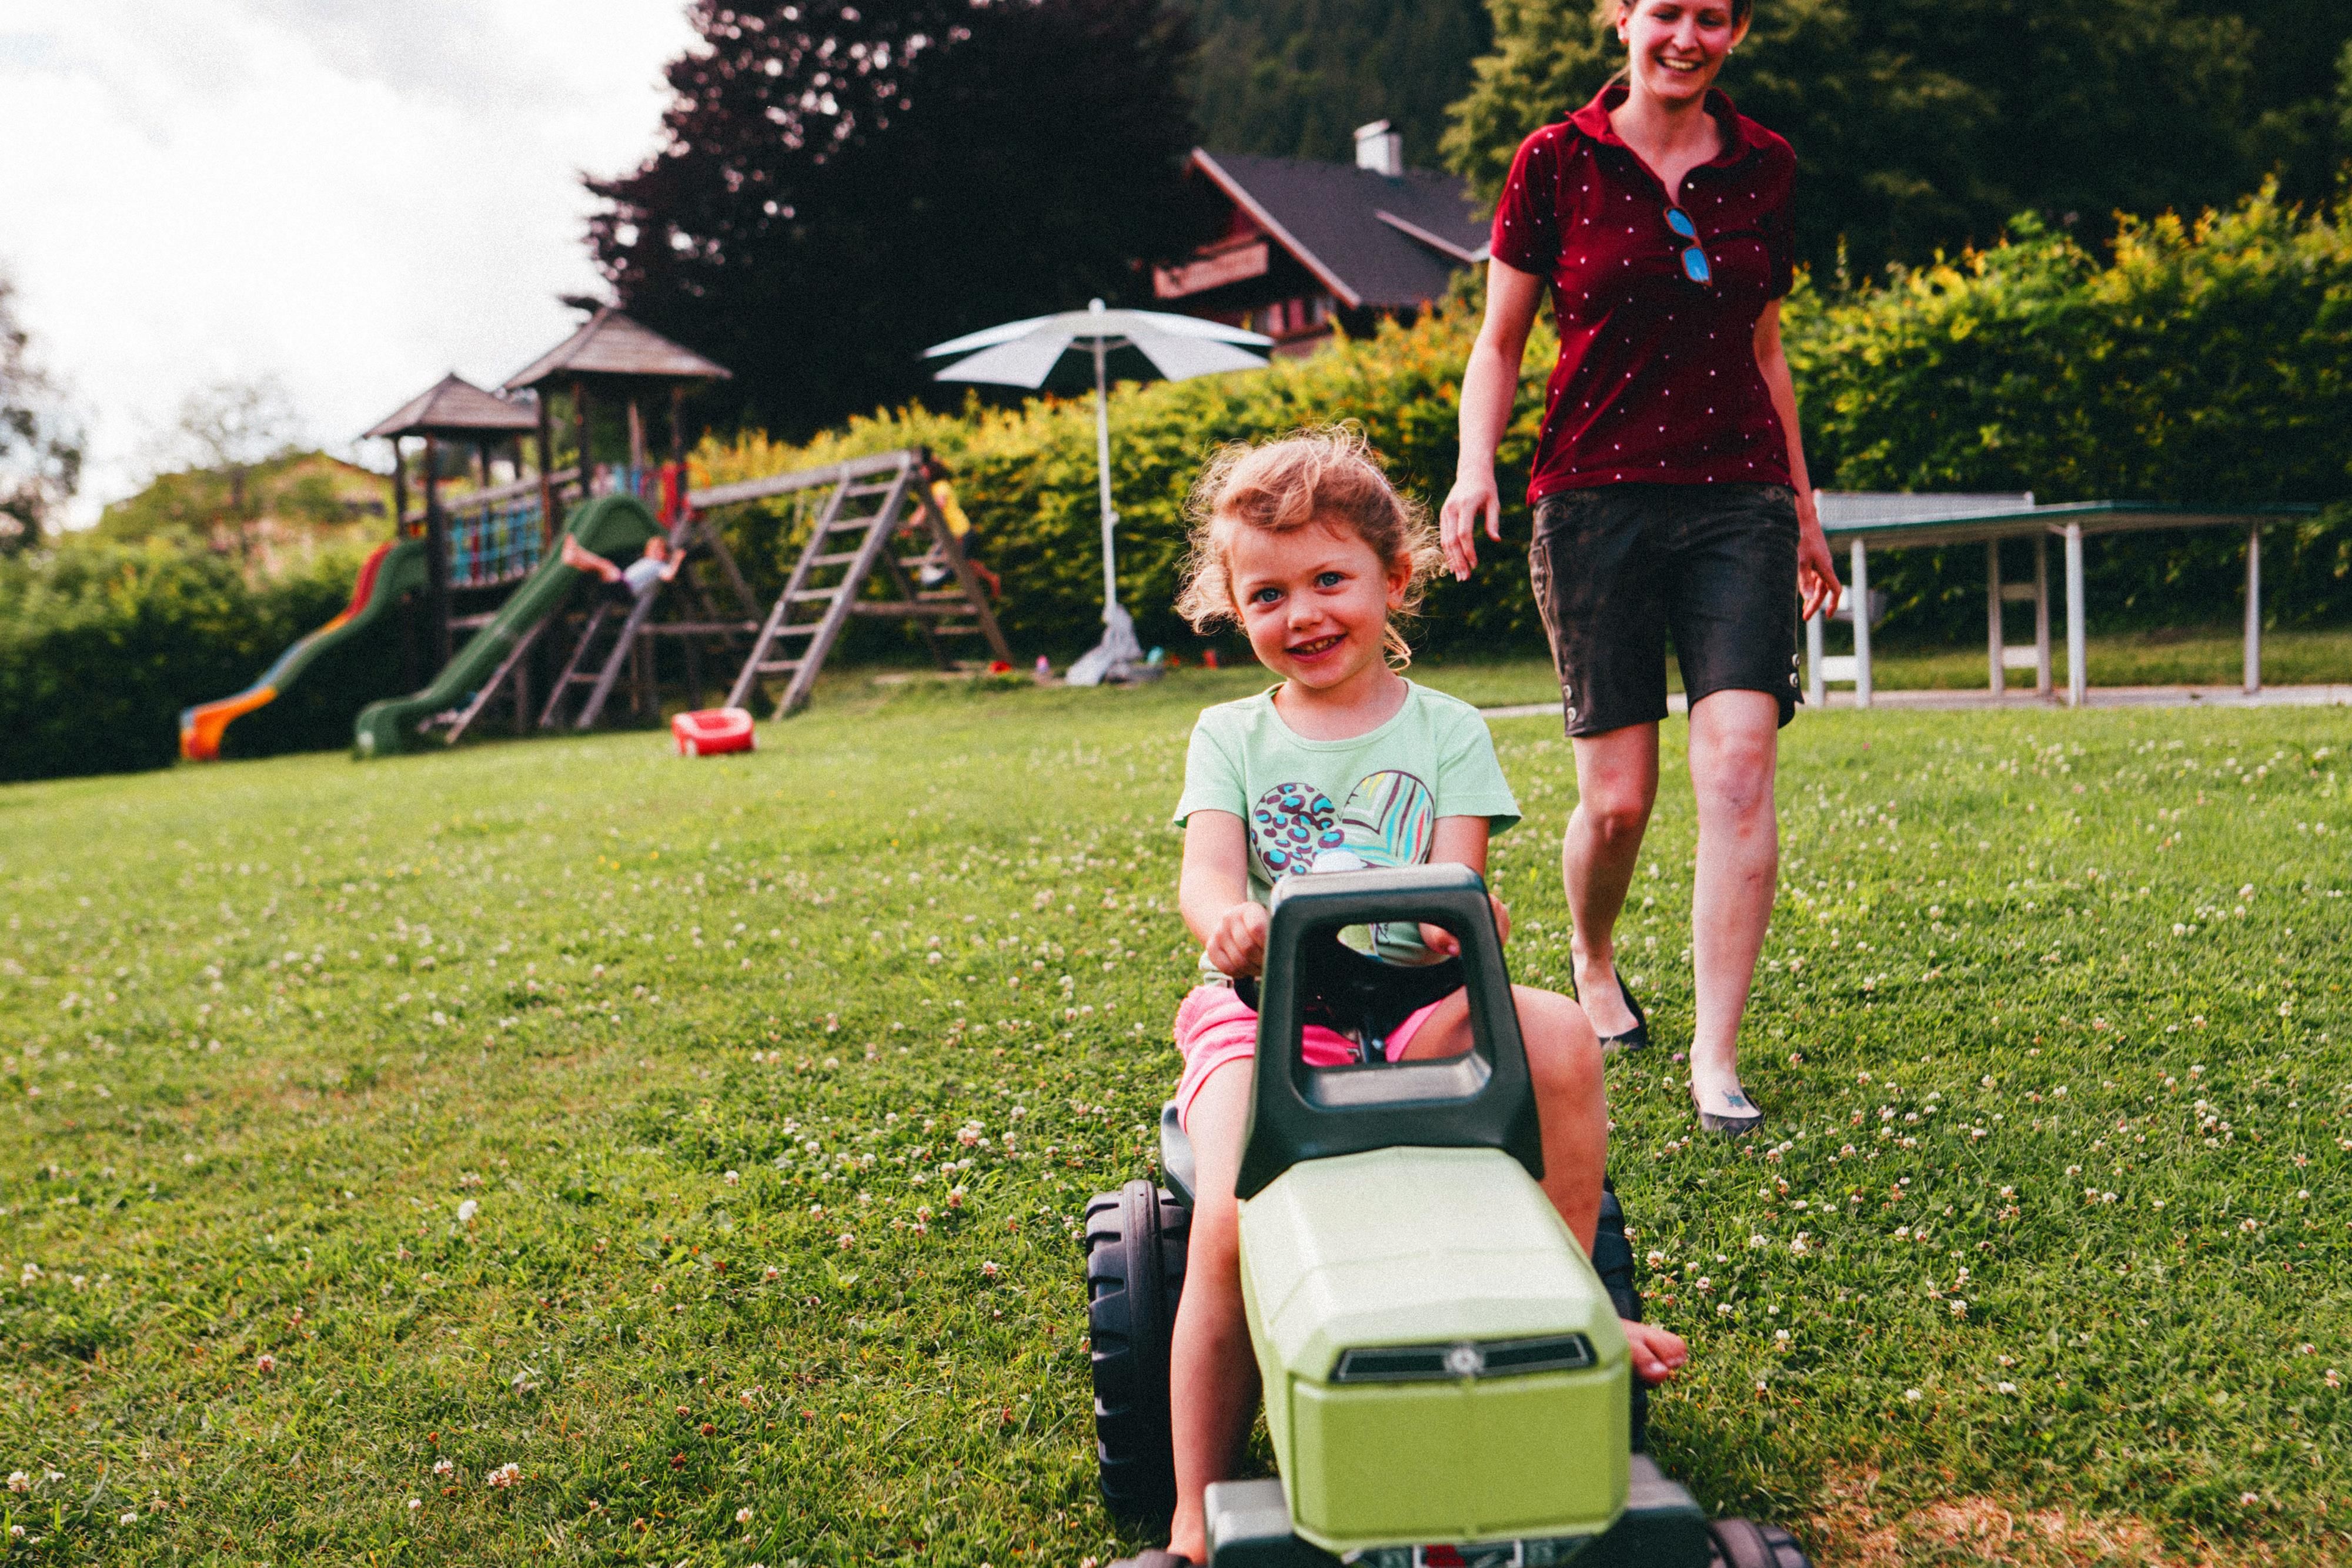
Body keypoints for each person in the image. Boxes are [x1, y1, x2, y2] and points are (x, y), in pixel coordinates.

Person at [1117, 429, 1689, 1568]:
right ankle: (1193, 1510)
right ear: (1234, 606)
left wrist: (1448, 922)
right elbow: (1207, 875)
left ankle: (1575, 1299)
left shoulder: (1447, 730)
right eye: (1268, 593)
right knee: (1229, 1211)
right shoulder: (1230, 735)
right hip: (1272, 1008)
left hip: (1423, 1001)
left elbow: (1454, 881)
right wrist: (1226, 919)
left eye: (1329, 579)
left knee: (1559, 1031)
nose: (1303, 613)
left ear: (1393, 576)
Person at [1439, 0, 1842, 1137]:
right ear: (1622, 20)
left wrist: (1804, 510)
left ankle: (1717, 1058)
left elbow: (1766, 347)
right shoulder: (1554, 160)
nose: (1686, 36)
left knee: (1739, 766)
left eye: (1712, 18)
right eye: (1666, 11)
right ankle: (1593, 951)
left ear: (1736, 32)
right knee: (1618, 801)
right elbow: (1500, 341)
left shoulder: (1766, 165)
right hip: (1592, 496)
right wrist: (1473, 470)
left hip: (1738, 497)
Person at [559, 530, 680, 608]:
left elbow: (669, 576)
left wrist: (677, 560)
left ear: (665, 555)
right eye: (653, 550)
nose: (656, 553)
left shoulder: (660, 566)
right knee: (598, 567)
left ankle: (575, 554)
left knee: (605, 565)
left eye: (659, 551)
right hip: (621, 584)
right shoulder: (648, 560)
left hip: (625, 589)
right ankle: (575, 558)